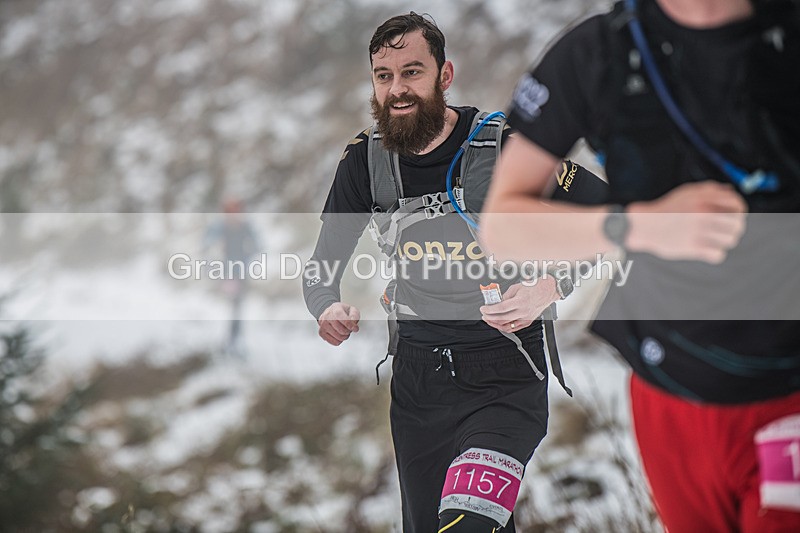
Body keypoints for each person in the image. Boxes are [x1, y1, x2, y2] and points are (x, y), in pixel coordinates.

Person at [481, 0, 800, 531]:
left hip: (787, 396)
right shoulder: (599, 50)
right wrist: (639, 226)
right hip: (666, 396)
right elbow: (503, 225)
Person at [302, 12, 606, 533]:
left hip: (506, 375)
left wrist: (550, 285)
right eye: (383, 76)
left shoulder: (505, 146)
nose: (397, 89)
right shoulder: (364, 162)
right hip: (418, 383)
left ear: (444, 75)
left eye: (412, 72)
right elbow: (320, 269)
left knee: (466, 525)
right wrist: (326, 306)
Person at [203, 198, 260, 358]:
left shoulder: (246, 227)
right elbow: (207, 247)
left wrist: (249, 260)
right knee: (229, 308)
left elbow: (257, 247)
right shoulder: (218, 228)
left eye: (236, 210)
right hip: (225, 273)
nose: (233, 214)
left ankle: (234, 342)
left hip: (240, 273)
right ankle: (227, 343)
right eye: (230, 211)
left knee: (237, 308)